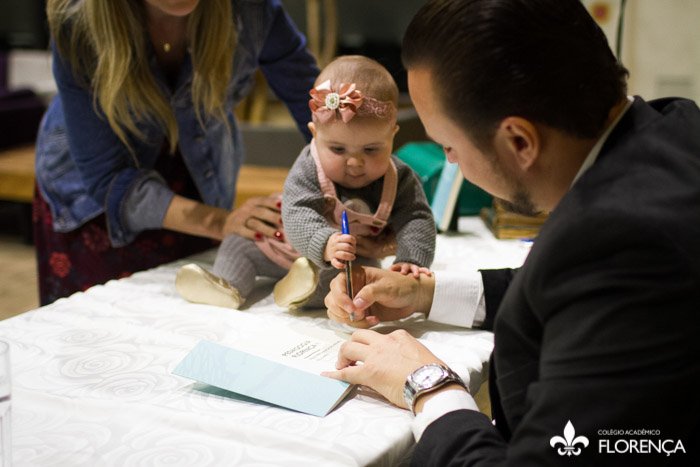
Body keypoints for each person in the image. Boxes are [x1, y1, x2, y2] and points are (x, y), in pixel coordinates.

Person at [322, 0, 700, 465]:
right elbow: (577, 291)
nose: (452, 161)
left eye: (449, 145)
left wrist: (428, 386)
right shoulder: (674, 126)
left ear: (519, 141)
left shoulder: (621, 240)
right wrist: (424, 293)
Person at [33, 0, 319, 305]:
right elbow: (107, 177)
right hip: (94, 206)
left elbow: (315, 107)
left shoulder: (250, 10)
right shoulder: (77, 20)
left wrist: (356, 176)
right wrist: (220, 222)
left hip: (198, 176)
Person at [175, 55, 436, 310]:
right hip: (280, 243)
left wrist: (410, 259)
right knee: (238, 243)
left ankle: (298, 291)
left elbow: (416, 217)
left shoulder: (399, 178)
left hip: (342, 259)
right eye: (338, 149)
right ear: (315, 134)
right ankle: (227, 285)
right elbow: (297, 211)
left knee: (353, 282)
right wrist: (324, 243)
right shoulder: (309, 166)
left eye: (371, 150)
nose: (354, 163)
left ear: (392, 136)